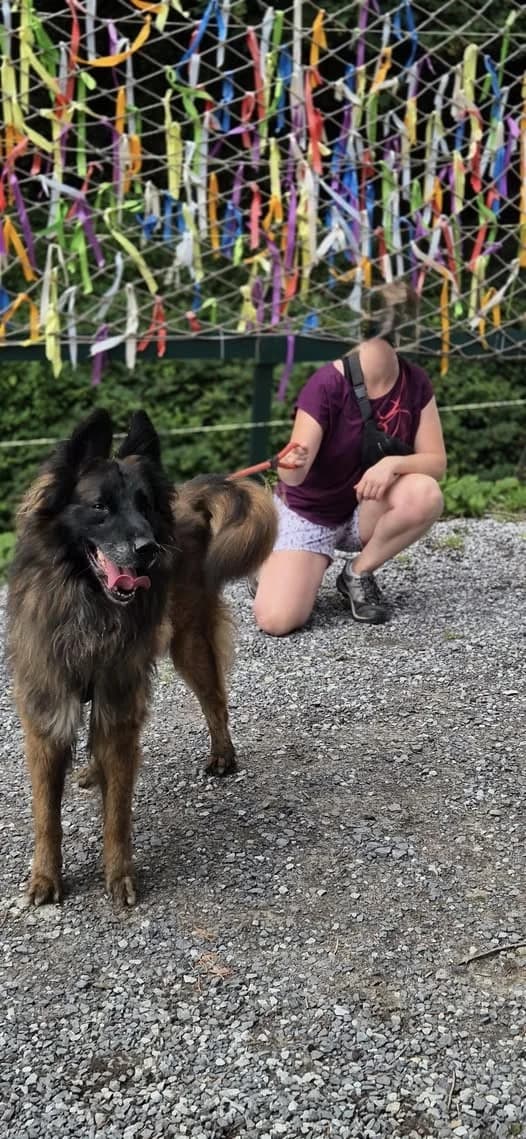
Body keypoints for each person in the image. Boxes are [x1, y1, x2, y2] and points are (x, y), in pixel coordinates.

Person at [252, 337, 447, 636]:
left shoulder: (416, 380)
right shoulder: (326, 384)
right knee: (277, 621)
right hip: (311, 513)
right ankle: (268, 558)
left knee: (425, 493)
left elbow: (436, 463)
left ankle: (357, 573)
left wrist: (392, 464)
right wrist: (291, 463)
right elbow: (293, 477)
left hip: (366, 506)